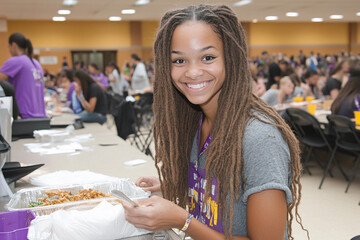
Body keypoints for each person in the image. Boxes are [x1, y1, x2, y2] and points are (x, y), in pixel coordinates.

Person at [121, 4, 307, 240]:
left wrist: (182, 220)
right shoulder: (196, 120)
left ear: (231, 58)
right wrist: (174, 186)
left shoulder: (260, 139)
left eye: (207, 57)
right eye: (179, 61)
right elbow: (219, 192)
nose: (193, 71)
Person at [0, 32, 46, 119]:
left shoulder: (15, 61)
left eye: (9, 47)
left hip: (23, 115)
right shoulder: (37, 64)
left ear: (13, 45)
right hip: (41, 116)